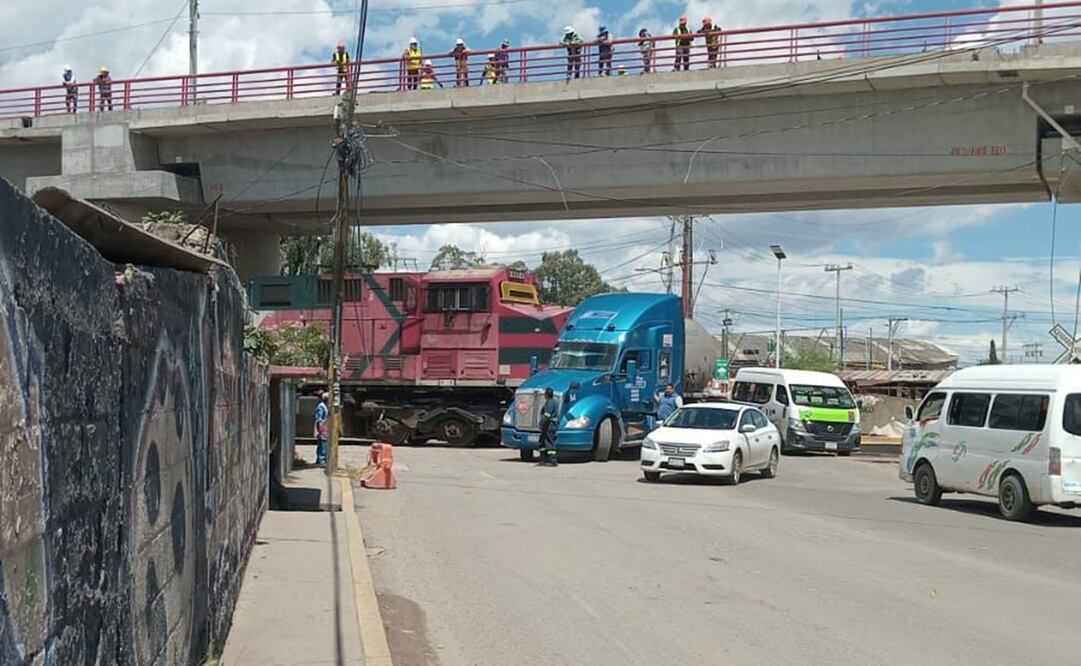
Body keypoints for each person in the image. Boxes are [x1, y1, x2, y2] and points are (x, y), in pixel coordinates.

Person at [537, 387, 559, 466]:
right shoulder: (554, 402)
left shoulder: (550, 403)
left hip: (549, 425)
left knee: (549, 442)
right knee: (542, 442)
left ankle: (552, 460)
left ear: (546, 394)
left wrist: (541, 423)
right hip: (550, 425)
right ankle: (544, 458)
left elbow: (547, 415)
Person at [314, 391, 329, 466]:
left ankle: (321, 459)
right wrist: (320, 429)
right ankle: (321, 459)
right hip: (322, 428)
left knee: (323, 443)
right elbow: (319, 419)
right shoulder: (321, 407)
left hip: (325, 427)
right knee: (322, 443)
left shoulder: (325, 406)